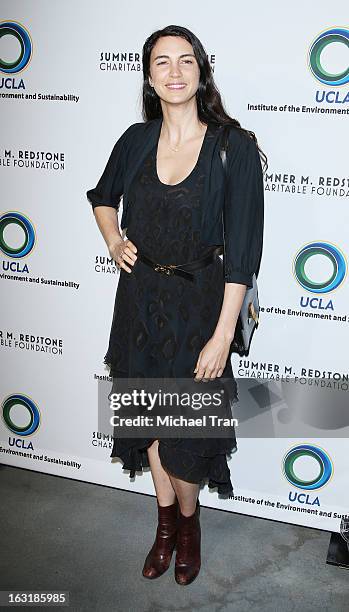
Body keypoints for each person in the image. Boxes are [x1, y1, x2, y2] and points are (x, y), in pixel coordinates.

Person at [86, 24, 266, 586]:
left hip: (200, 307)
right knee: (153, 420)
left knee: (188, 429)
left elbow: (242, 254)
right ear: (148, 76)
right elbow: (101, 197)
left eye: (185, 61)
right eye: (161, 63)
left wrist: (221, 334)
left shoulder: (233, 146)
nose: (174, 72)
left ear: (201, 71)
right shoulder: (135, 140)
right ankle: (163, 524)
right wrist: (114, 240)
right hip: (139, 303)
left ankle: (188, 526)